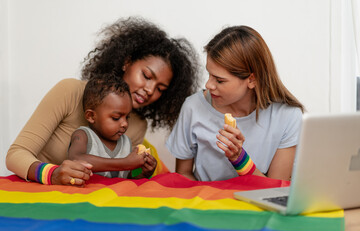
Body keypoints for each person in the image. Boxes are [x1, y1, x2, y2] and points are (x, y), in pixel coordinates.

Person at [6, 17, 200, 186]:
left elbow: (116, 177)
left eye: (160, 89)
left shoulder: (136, 125)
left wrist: (141, 172)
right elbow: (16, 154)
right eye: (147, 76)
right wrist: (52, 174)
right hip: (37, 193)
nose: (150, 90)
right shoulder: (70, 92)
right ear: (127, 62)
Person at [166, 25, 304, 182]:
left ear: (251, 80)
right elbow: (183, 175)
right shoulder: (193, 107)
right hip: (205, 203)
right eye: (209, 74)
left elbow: (275, 189)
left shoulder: (287, 116)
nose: (209, 85)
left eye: (219, 80)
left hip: (256, 204)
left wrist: (239, 159)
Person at [67, 78, 157, 180]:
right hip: (89, 194)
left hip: (115, 194)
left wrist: (144, 172)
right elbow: (75, 159)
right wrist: (125, 163)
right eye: (116, 118)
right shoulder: (83, 135)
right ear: (91, 116)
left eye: (127, 117)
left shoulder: (126, 142)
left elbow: (126, 179)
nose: (125, 124)